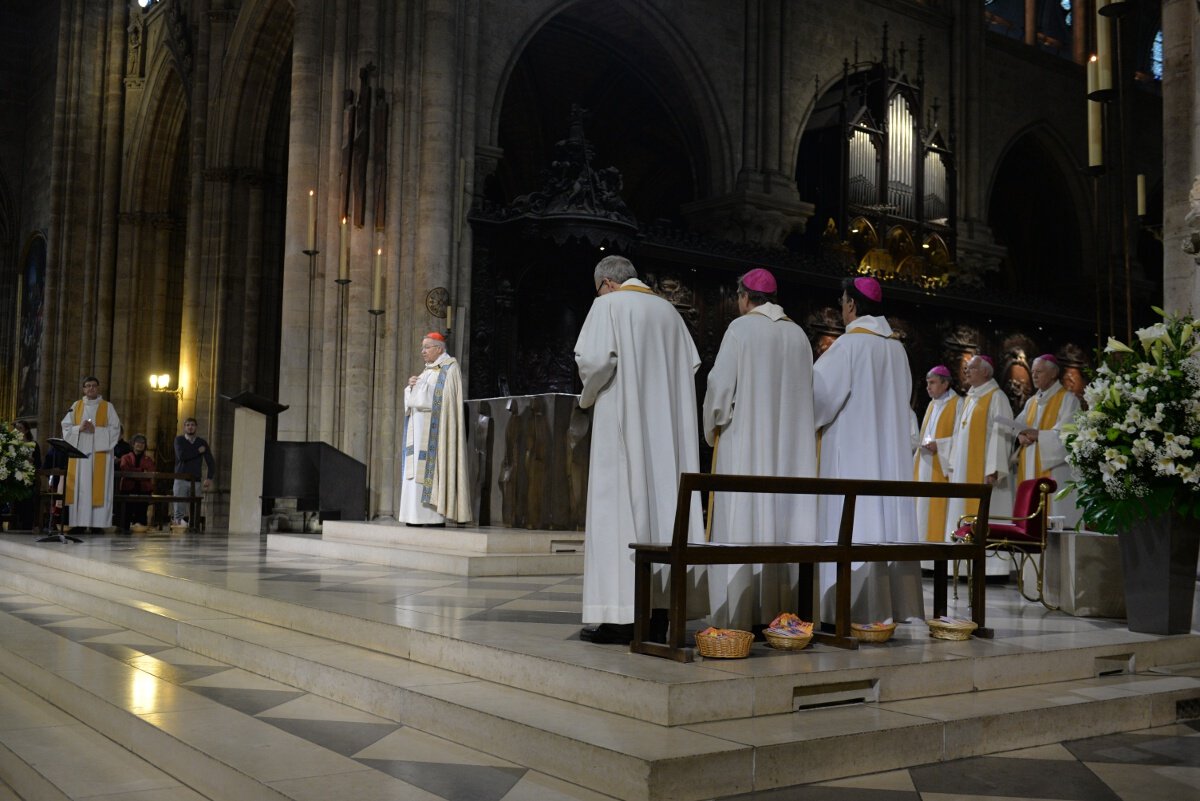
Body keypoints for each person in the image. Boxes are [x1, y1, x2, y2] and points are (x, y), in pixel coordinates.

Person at [575, 255, 707, 644]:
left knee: (619, 513)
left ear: (607, 284)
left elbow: (595, 361)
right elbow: (693, 365)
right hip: (668, 436)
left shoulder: (608, 306)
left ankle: (622, 619)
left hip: (622, 427)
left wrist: (587, 397)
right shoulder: (670, 314)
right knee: (663, 516)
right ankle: (662, 614)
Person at [702, 267, 817, 631]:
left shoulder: (740, 329)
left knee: (743, 522)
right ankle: (780, 615)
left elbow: (719, 388)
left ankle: (737, 616)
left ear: (744, 297)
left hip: (746, 447)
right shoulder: (799, 335)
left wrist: (712, 427)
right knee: (781, 523)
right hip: (790, 453)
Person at [812, 276, 923, 624]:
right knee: (884, 521)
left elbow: (818, 401)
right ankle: (889, 608)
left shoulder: (848, 347)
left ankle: (848, 607)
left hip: (852, 457)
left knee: (853, 523)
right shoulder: (897, 349)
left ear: (851, 305)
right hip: (888, 458)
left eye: (843, 302)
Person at [943, 354, 1015, 567]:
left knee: (986, 514)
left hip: (985, 472)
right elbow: (958, 434)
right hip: (963, 471)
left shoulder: (996, 396)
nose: (967, 372)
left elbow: (1002, 432)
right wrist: (953, 464)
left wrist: (994, 467)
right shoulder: (970, 398)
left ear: (985, 371)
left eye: (972, 368)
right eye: (966, 368)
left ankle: (991, 569)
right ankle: (961, 565)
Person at [399, 332, 471, 526]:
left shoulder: (450, 368)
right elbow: (416, 400)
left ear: (439, 348)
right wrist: (412, 387)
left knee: (431, 473)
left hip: (436, 435)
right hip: (419, 429)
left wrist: (421, 388)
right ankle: (414, 516)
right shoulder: (428, 370)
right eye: (422, 347)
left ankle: (432, 517)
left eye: (427, 347)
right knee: (415, 474)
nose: (423, 351)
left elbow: (444, 400)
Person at [1014, 354, 1082, 527]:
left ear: (1053, 374)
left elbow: (1069, 436)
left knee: (1054, 512)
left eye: (1039, 372)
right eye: (1033, 372)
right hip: (1030, 466)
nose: (1034, 376)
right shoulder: (1031, 402)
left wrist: (1040, 435)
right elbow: (1017, 426)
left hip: (1055, 470)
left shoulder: (1068, 400)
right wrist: (1020, 435)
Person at [61, 376, 121, 532]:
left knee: (98, 486)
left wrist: (96, 430)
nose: (91, 388)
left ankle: (97, 526)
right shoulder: (76, 406)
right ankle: (79, 524)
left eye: (94, 386)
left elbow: (115, 429)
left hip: (100, 454)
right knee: (80, 488)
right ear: (83, 389)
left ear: (98, 388)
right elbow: (66, 427)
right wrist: (78, 428)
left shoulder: (108, 407)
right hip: (79, 454)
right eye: (87, 386)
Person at [913, 365, 962, 541]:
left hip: (942, 467)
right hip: (926, 465)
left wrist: (940, 445)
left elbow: (961, 438)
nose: (928, 387)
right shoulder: (932, 405)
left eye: (932, 382)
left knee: (937, 510)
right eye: (927, 383)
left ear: (945, 383)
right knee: (923, 511)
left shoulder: (958, 404)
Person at [173, 417, 215, 526]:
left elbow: (210, 461)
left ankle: (194, 526)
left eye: (192, 425)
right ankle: (178, 524)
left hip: (195, 479)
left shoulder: (202, 442)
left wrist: (209, 477)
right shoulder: (179, 440)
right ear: (184, 427)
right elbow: (182, 456)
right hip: (181, 478)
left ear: (196, 427)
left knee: (196, 505)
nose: (190, 427)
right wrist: (197, 451)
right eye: (188, 425)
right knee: (179, 504)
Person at [118, 433, 156, 529]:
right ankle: (124, 530)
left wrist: (134, 473)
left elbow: (150, 473)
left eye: (143, 442)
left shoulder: (148, 459)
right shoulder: (125, 457)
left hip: (143, 489)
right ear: (133, 444)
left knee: (141, 513)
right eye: (138, 442)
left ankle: (140, 531)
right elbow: (125, 470)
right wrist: (141, 472)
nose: (140, 444)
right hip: (128, 489)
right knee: (127, 512)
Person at [10, 420, 41, 530]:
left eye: (20, 428)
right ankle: (14, 524)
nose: (17, 430)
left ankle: (27, 524)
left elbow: (39, 463)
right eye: (16, 428)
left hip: (29, 476)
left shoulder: (34, 444)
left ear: (27, 430)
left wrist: (30, 460)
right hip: (14, 476)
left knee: (28, 500)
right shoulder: (12, 443)